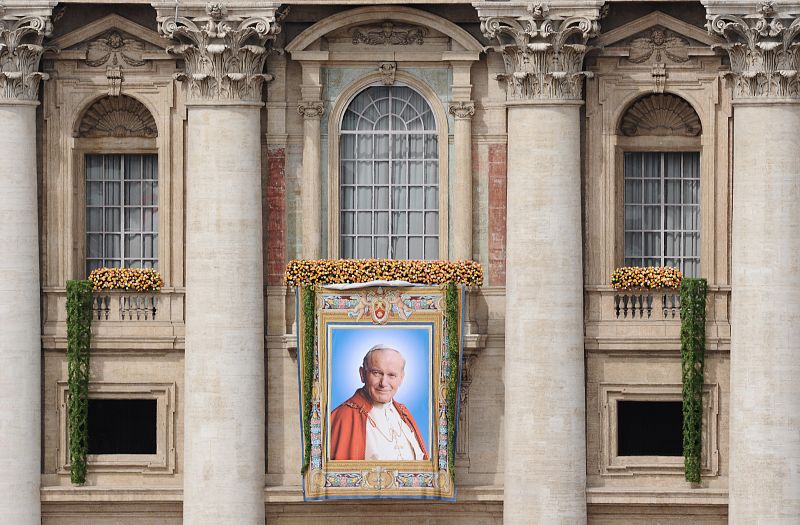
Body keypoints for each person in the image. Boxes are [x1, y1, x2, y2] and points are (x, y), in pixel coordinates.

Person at [329, 344, 428, 461]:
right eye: (376, 373)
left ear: (401, 378)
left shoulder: (404, 413)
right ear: (362, 374)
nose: (383, 383)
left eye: (391, 375)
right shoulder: (344, 416)